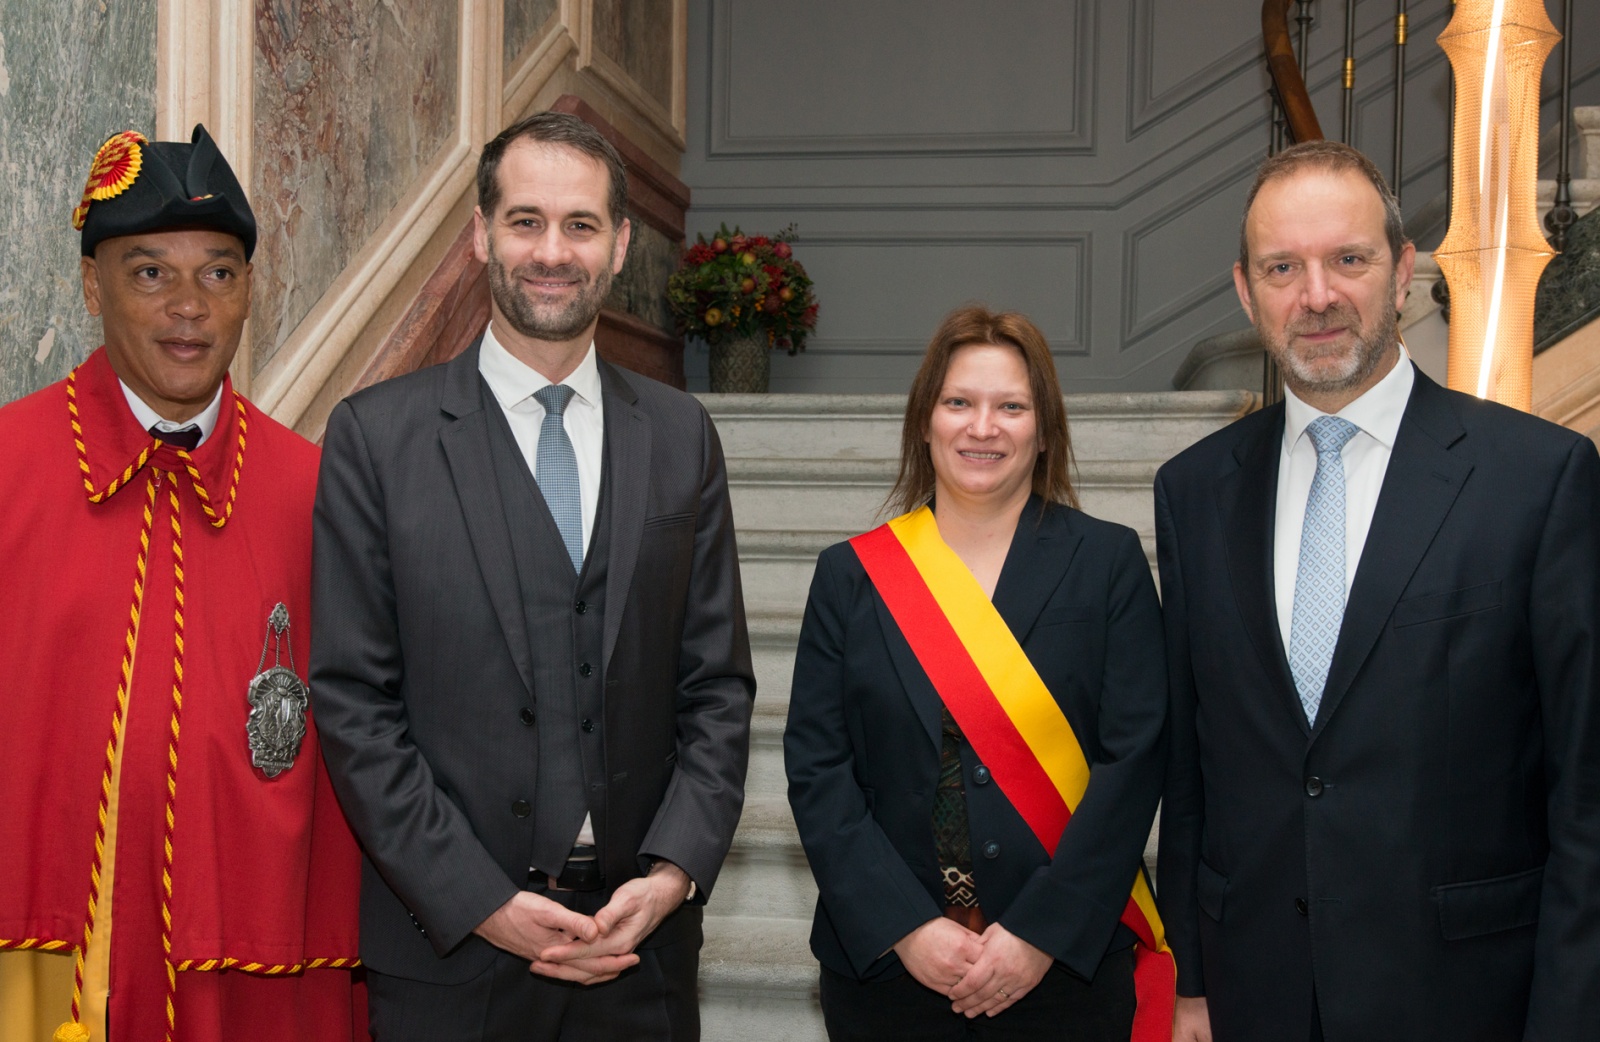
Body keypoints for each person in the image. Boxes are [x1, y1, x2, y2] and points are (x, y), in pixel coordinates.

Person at [309, 110, 755, 1039]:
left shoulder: (681, 439)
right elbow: (355, 702)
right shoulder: (375, 438)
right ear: (480, 234)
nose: (552, 251)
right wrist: (482, 901)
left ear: (622, 244)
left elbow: (717, 688)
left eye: (581, 225)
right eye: (525, 221)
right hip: (452, 956)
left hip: (640, 953)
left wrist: (671, 874)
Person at [1155, 140, 1600, 1042]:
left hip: (1465, 996)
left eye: (1347, 259)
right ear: (1246, 292)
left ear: (1402, 272)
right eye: (1284, 267)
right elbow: (1192, 763)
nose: (1316, 295)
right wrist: (1190, 981)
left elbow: (1585, 793)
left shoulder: (1539, 478)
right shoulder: (1193, 490)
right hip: (1256, 994)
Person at [0, 126, 362, 1042]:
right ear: (92, 285)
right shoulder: (8, 467)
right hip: (36, 976)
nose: (189, 308)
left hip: (247, 973)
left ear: (251, 292)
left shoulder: (319, 493)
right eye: (150, 273)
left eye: (221, 273)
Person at [784, 306, 1172, 1041]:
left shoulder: (1108, 563)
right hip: (891, 974)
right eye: (959, 402)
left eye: (1011, 406)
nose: (982, 427)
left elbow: (1135, 761)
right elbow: (816, 769)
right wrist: (906, 928)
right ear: (925, 420)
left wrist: (1040, 934)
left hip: (1063, 972)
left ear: (1044, 428)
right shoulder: (851, 577)